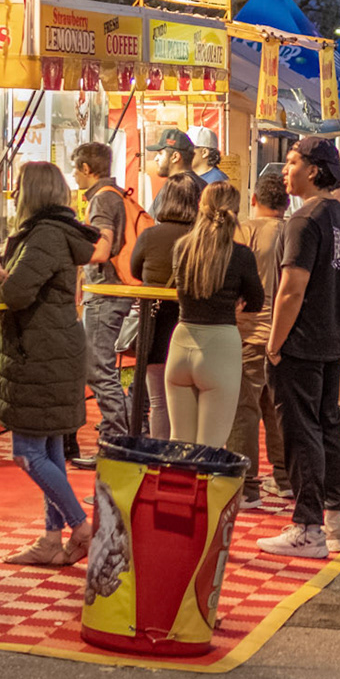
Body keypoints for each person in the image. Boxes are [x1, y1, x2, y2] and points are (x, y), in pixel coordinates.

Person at [0, 161, 99, 567]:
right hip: (53, 347)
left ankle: (80, 526)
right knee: (50, 448)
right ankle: (50, 539)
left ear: (31, 192)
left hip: (40, 351)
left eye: (18, 186)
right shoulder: (54, 232)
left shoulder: (44, 234)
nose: (13, 193)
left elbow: (16, 293)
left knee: (28, 452)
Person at [260, 137, 340, 558]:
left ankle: (307, 527)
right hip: (332, 338)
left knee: (302, 434)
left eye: (293, 162)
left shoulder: (304, 220)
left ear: (314, 170)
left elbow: (291, 290)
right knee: (327, 428)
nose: (285, 170)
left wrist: (274, 343)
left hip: (301, 342)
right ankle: (333, 523)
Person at [166, 180, 266, 446]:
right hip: (220, 345)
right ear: (236, 211)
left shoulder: (182, 247)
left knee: (180, 444)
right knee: (211, 448)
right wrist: (237, 303)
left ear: (200, 206)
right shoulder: (241, 255)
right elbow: (257, 301)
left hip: (181, 341)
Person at [128, 173, 203, 441]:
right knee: (192, 402)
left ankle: (160, 455)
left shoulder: (150, 236)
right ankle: (187, 454)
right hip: (194, 328)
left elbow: (135, 271)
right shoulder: (201, 238)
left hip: (156, 327)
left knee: (159, 403)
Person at [230, 173, 289, 507]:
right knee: (278, 408)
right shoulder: (294, 232)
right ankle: (285, 477)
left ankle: (247, 485)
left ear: (253, 200)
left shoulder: (245, 231)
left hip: (249, 331)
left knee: (245, 410)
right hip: (285, 333)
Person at [72, 141, 131, 468]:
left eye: (75, 168)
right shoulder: (115, 194)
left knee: (98, 369)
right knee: (101, 368)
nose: (74, 176)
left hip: (105, 291)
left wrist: (73, 250)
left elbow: (101, 249)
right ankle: (120, 439)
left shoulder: (102, 199)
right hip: (112, 291)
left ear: (86, 168)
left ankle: (115, 444)